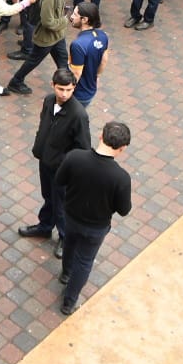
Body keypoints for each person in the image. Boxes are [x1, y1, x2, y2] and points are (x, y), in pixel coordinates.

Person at [55, 120, 132, 314]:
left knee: (69, 245)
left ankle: (65, 274)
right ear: (122, 148)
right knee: (85, 261)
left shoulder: (75, 158)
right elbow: (124, 210)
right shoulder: (121, 178)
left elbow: (59, 180)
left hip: (71, 216)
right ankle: (69, 301)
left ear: (101, 136)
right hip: (96, 227)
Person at [17, 69, 91, 256]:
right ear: (52, 85)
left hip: (62, 169)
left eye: (68, 89)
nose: (64, 94)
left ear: (74, 88)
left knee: (61, 205)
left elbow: (82, 148)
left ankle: (65, 237)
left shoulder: (78, 115)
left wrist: (65, 165)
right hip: (45, 161)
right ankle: (45, 226)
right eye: (60, 89)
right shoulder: (49, 101)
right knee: (48, 197)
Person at [5, 0, 75, 95]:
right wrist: (65, 21)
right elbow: (48, 22)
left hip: (58, 35)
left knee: (63, 63)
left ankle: (68, 85)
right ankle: (16, 82)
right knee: (32, 61)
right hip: (46, 38)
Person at [67, 2, 109, 108]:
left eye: (75, 15)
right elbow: (104, 59)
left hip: (78, 94)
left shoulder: (78, 45)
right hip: (90, 89)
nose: (71, 17)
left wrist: (66, 93)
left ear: (84, 19)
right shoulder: (103, 36)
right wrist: (97, 77)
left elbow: (76, 73)